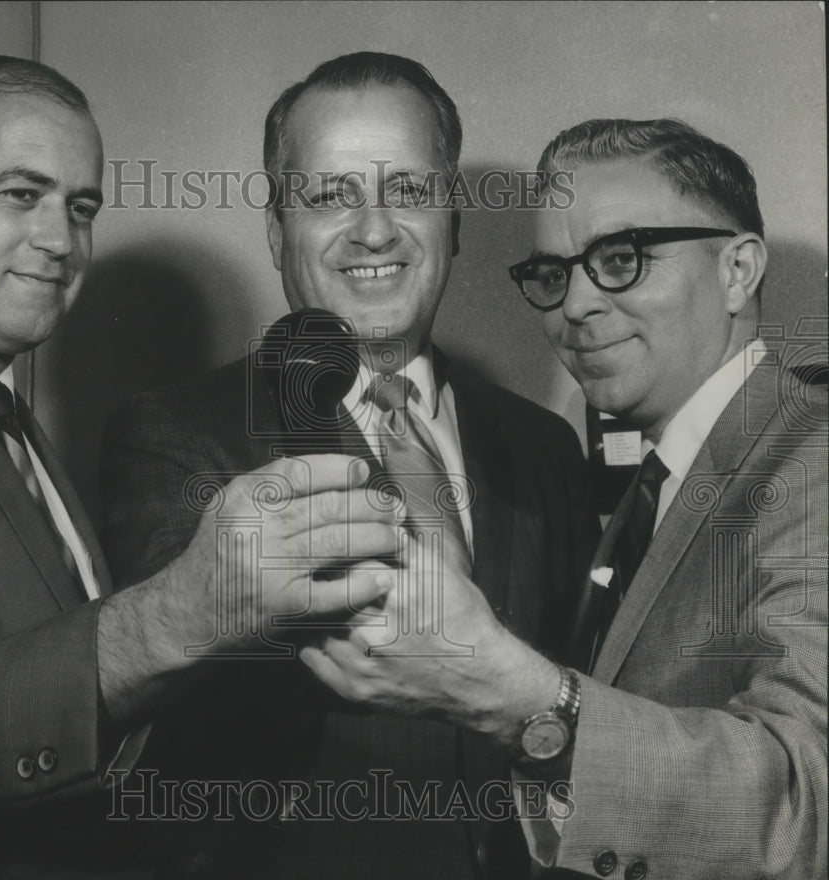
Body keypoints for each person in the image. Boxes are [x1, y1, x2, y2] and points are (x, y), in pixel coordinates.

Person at [0, 55, 402, 880]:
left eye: (81, 206)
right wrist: (174, 615)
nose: (61, 240)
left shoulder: (2, 418)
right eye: (21, 195)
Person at [102, 52, 599, 879]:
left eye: (408, 191)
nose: (374, 230)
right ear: (274, 233)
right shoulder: (177, 437)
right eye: (331, 196)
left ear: (455, 221)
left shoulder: (544, 445)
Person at [301, 118, 827, 879]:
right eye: (554, 273)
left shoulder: (812, 453)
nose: (575, 306)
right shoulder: (658, 484)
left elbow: (805, 804)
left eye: (621, 259)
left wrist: (523, 698)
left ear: (738, 270)